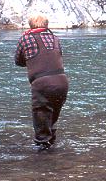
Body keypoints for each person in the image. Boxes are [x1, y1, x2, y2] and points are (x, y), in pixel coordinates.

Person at [15, 13, 69, 151]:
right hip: (62, 83)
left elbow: (18, 61)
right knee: (52, 121)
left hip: (42, 85)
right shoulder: (55, 38)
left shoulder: (25, 38)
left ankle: (42, 163)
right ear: (46, 25)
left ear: (30, 25)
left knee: (41, 129)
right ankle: (54, 154)